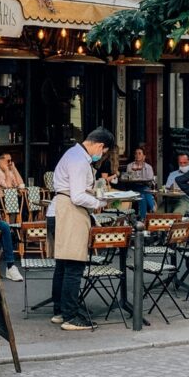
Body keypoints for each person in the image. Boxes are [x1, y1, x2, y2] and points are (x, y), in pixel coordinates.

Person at [49, 128, 112, 331]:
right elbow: (77, 195)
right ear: (100, 145)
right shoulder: (79, 160)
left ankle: (60, 310)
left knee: (63, 264)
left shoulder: (73, 154)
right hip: (71, 210)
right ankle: (71, 315)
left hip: (61, 208)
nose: (101, 155)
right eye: (103, 151)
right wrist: (98, 202)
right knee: (74, 264)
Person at [164, 152, 189, 216]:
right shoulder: (172, 174)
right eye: (180, 163)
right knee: (157, 214)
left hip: (187, 199)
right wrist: (172, 186)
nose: (182, 165)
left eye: (185, 163)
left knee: (176, 214)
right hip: (172, 199)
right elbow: (167, 189)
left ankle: (175, 225)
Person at [123, 145, 158, 217]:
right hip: (133, 187)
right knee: (145, 191)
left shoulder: (148, 167)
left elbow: (150, 180)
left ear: (144, 156)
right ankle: (153, 208)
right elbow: (129, 178)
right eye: (136, 153)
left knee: (142, 196)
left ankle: (143, 218)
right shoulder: (130, 166)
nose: (137, 155)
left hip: (145, 187)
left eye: (139, 153)